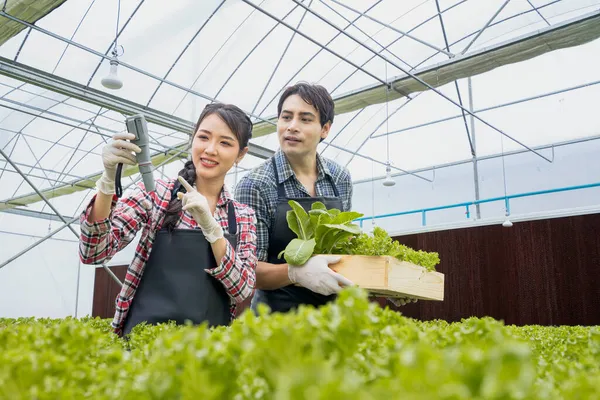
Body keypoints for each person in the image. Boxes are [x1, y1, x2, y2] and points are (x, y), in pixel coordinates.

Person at [79, 103, 258, 337]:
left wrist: (213, 230)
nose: (211, 149)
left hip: (206, 351)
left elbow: (242, 289)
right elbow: (94, 252)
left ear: (240, 155)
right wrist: (107, 181)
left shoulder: (243, 216)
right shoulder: (156, 195)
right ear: (193, 140)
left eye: (225, 143)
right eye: (204, 137)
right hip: (142, 346)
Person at [235, 82, 354, 314]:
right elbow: (248, 271)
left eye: (305, 119)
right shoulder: (256, 185)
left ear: (325, 129)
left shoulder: (340, 178)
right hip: (275, 322)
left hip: (333, 316)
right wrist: (296, 272)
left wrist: (386, 286)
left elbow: (345, 248)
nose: (292, 127)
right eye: (286, 117)